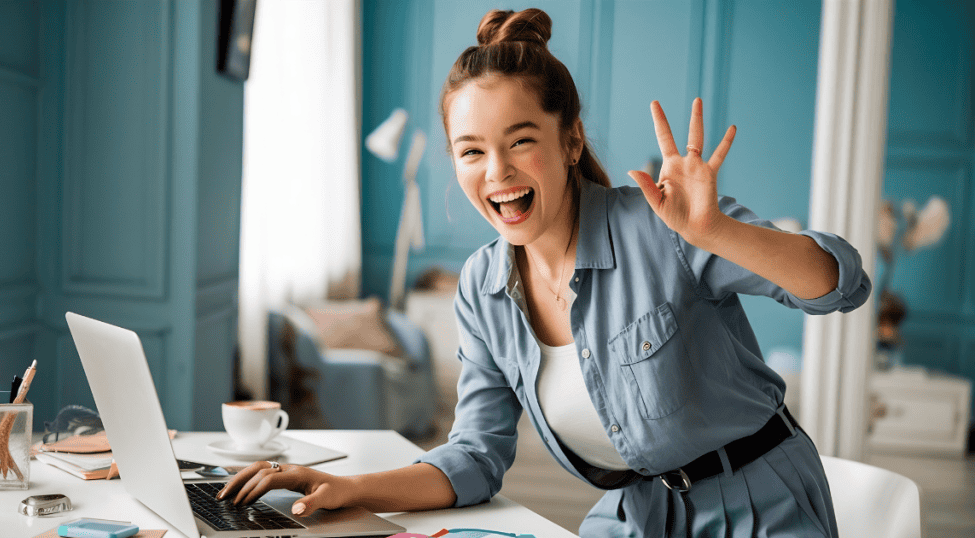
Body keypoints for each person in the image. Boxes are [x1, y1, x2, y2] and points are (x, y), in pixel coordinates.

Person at [218, 8, 870, 537]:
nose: (496, 171)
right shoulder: (482, 288)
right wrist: (347, 487)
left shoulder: (659, 227)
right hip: (641, 517)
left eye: (520, 140)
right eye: (471, 151)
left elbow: (840, 284)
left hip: (761, 510)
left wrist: (716, 232)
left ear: (570, 141)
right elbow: (476, 457)